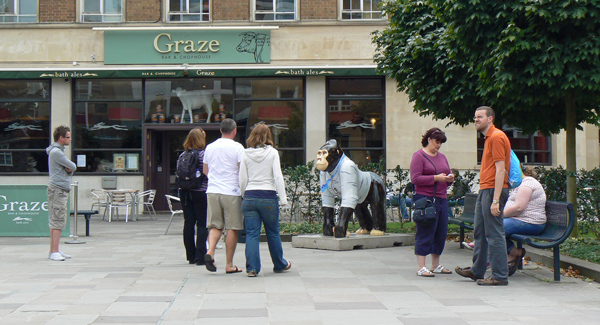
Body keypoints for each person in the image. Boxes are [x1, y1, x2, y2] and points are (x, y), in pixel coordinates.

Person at [456, 106, 511, 286]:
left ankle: (499, 276)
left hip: (493, 190)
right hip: (485, 189)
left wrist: (496, 200)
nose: (476, 120)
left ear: (490, 119)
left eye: (480, 117)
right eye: (475, 117)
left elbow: (501, 169)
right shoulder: (489, 138)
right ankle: (477, 271)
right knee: (479, 231)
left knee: (494, 234)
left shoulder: (496, 137)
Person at [239, 124, 291, 277]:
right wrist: (283, 198)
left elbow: (242, 179)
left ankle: (252, 268)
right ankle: (279, 264)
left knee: (252, 234)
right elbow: (277, 176)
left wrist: (244, 195)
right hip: (268, 196)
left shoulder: (245, 154)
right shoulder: (273, 153)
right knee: (273, 233)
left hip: (250, 196)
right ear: (268, 136)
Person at [410, 128, 454, 277]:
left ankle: (435, 264)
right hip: (426, 200)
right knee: (425, 231)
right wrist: (435, 178)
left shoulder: (442, 157)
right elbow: (415, 179)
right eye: (437, 141)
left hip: (441, 198)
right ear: (429, 139)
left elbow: (445, 177)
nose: (439, 145)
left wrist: (449, 180)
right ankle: (421, 266)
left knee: (440, 232)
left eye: (441, 142)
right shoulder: (419, 156)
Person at [203, 118, 245, 274]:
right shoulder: (238, 148)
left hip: (213, 190)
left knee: (215, 225)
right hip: (231, 191)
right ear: (234, 131)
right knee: (232, 228)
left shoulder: (210, 147)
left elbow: (205, 170)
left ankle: (210, 252)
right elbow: (242, 172)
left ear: (220, 130)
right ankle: (229, 264)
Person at [503, 167, 546, 275]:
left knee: (494, 227)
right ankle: (513, 254)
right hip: (518, 220)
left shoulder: (527, 183)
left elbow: (519, 208)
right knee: (492, 227)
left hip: (532, 222)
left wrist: (500, 217)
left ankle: (512, 255)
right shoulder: (518, 184)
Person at [177, 128, 209, 265]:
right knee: (202, 224)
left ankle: (190, 255)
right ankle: (200, 256)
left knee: (188, 223)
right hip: (200, 191)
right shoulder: (204, 155)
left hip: (184, 192)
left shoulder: (183, 155)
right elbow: (208, 174)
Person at [46, 125, 77, 261]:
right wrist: (69, 169)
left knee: (55, 221)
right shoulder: (57, 152)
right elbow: (73, 166)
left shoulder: (56, 151)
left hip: (57, 189)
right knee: (58, 220)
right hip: (58, 190)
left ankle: (54, 250)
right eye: (68, 137)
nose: (70, 139)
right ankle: (55, 252)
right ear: (61, 138)